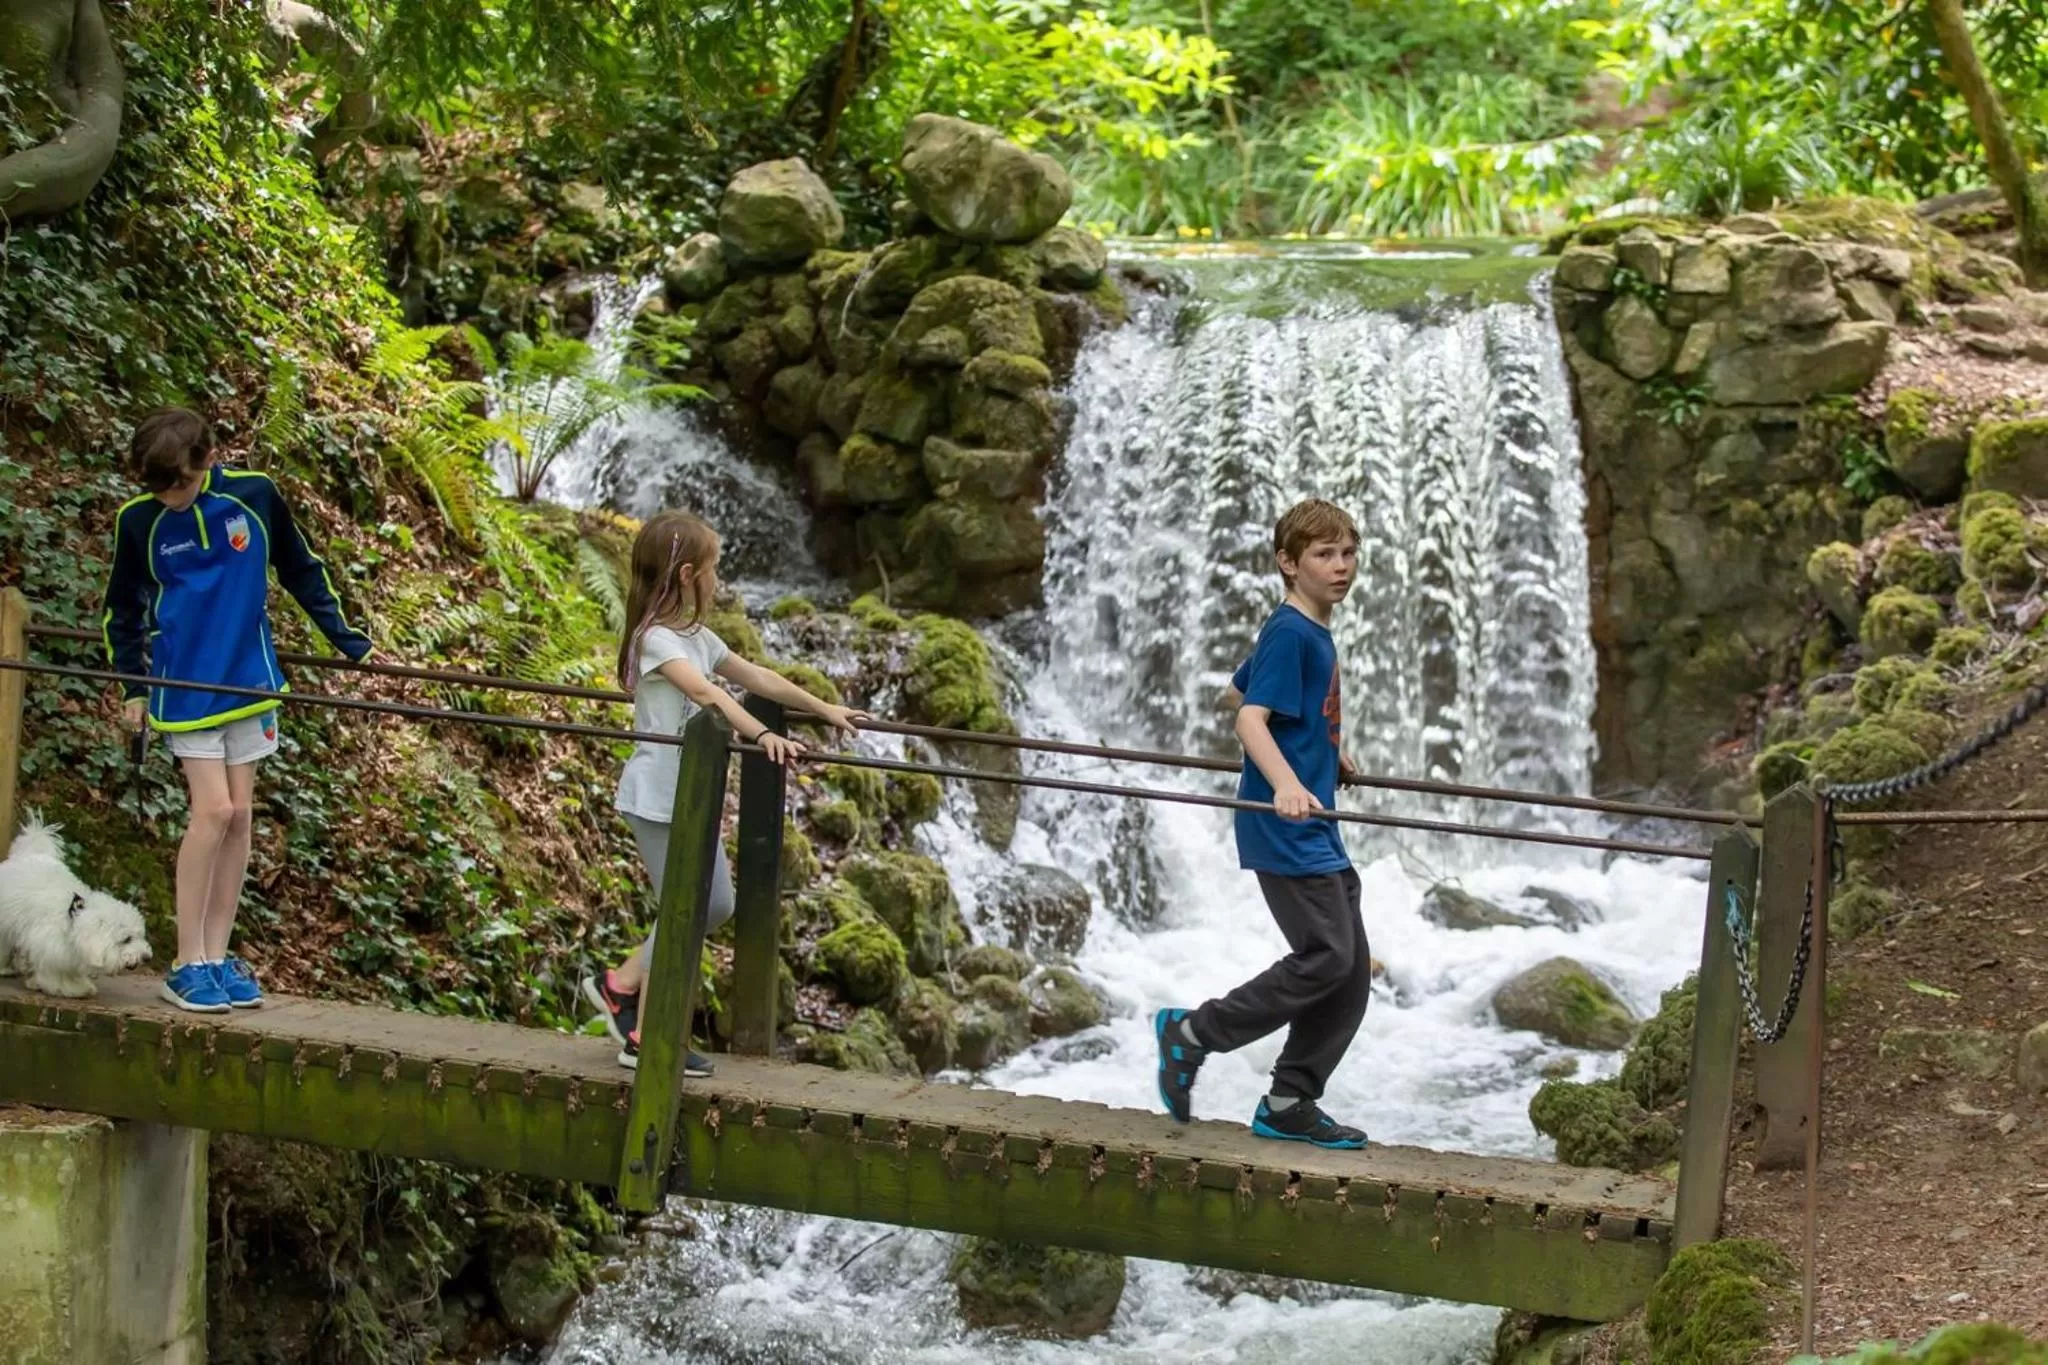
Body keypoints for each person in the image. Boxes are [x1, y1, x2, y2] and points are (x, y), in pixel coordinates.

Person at [102, 406, 376, 1012]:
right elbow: (122, 609)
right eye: (157, 486)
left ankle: (217, 957)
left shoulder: (254, 496)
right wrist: (133, 687)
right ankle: (186, 962)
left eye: (179, 483)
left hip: (250, 679)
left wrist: (347, 640)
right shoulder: (139, 521)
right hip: (185, 687)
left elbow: (300, 568)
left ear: (208, 459)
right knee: (214, 811)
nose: (169, 496)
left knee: (242, 815)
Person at [581, 510, 864, 1073]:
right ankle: (647, 1038)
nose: (718, 580)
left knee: (713, 905)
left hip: (691, 797)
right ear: (688, 575)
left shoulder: (696, 637)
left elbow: (758, 677)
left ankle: (621, 983)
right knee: (685, 910)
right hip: (657, 799)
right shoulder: (656, 640)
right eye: (713, 569)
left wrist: (824, 707)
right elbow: (708, 695)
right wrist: (761, 734)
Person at [1154, 497, 1372, 1149]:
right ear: (1288, 562)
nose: (1341, 566)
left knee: (1350, 970)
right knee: (1327, 955)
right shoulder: (1292, 633)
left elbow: (1238, 690)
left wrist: (1323, 750)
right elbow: (1247, 718)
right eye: (1324, 554)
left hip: (1314, 824)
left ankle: (1288, 1101)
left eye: (1348, 553)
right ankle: (1192, 1033)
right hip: (1285, 824)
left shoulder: (1305, 630)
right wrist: (1285, 782)